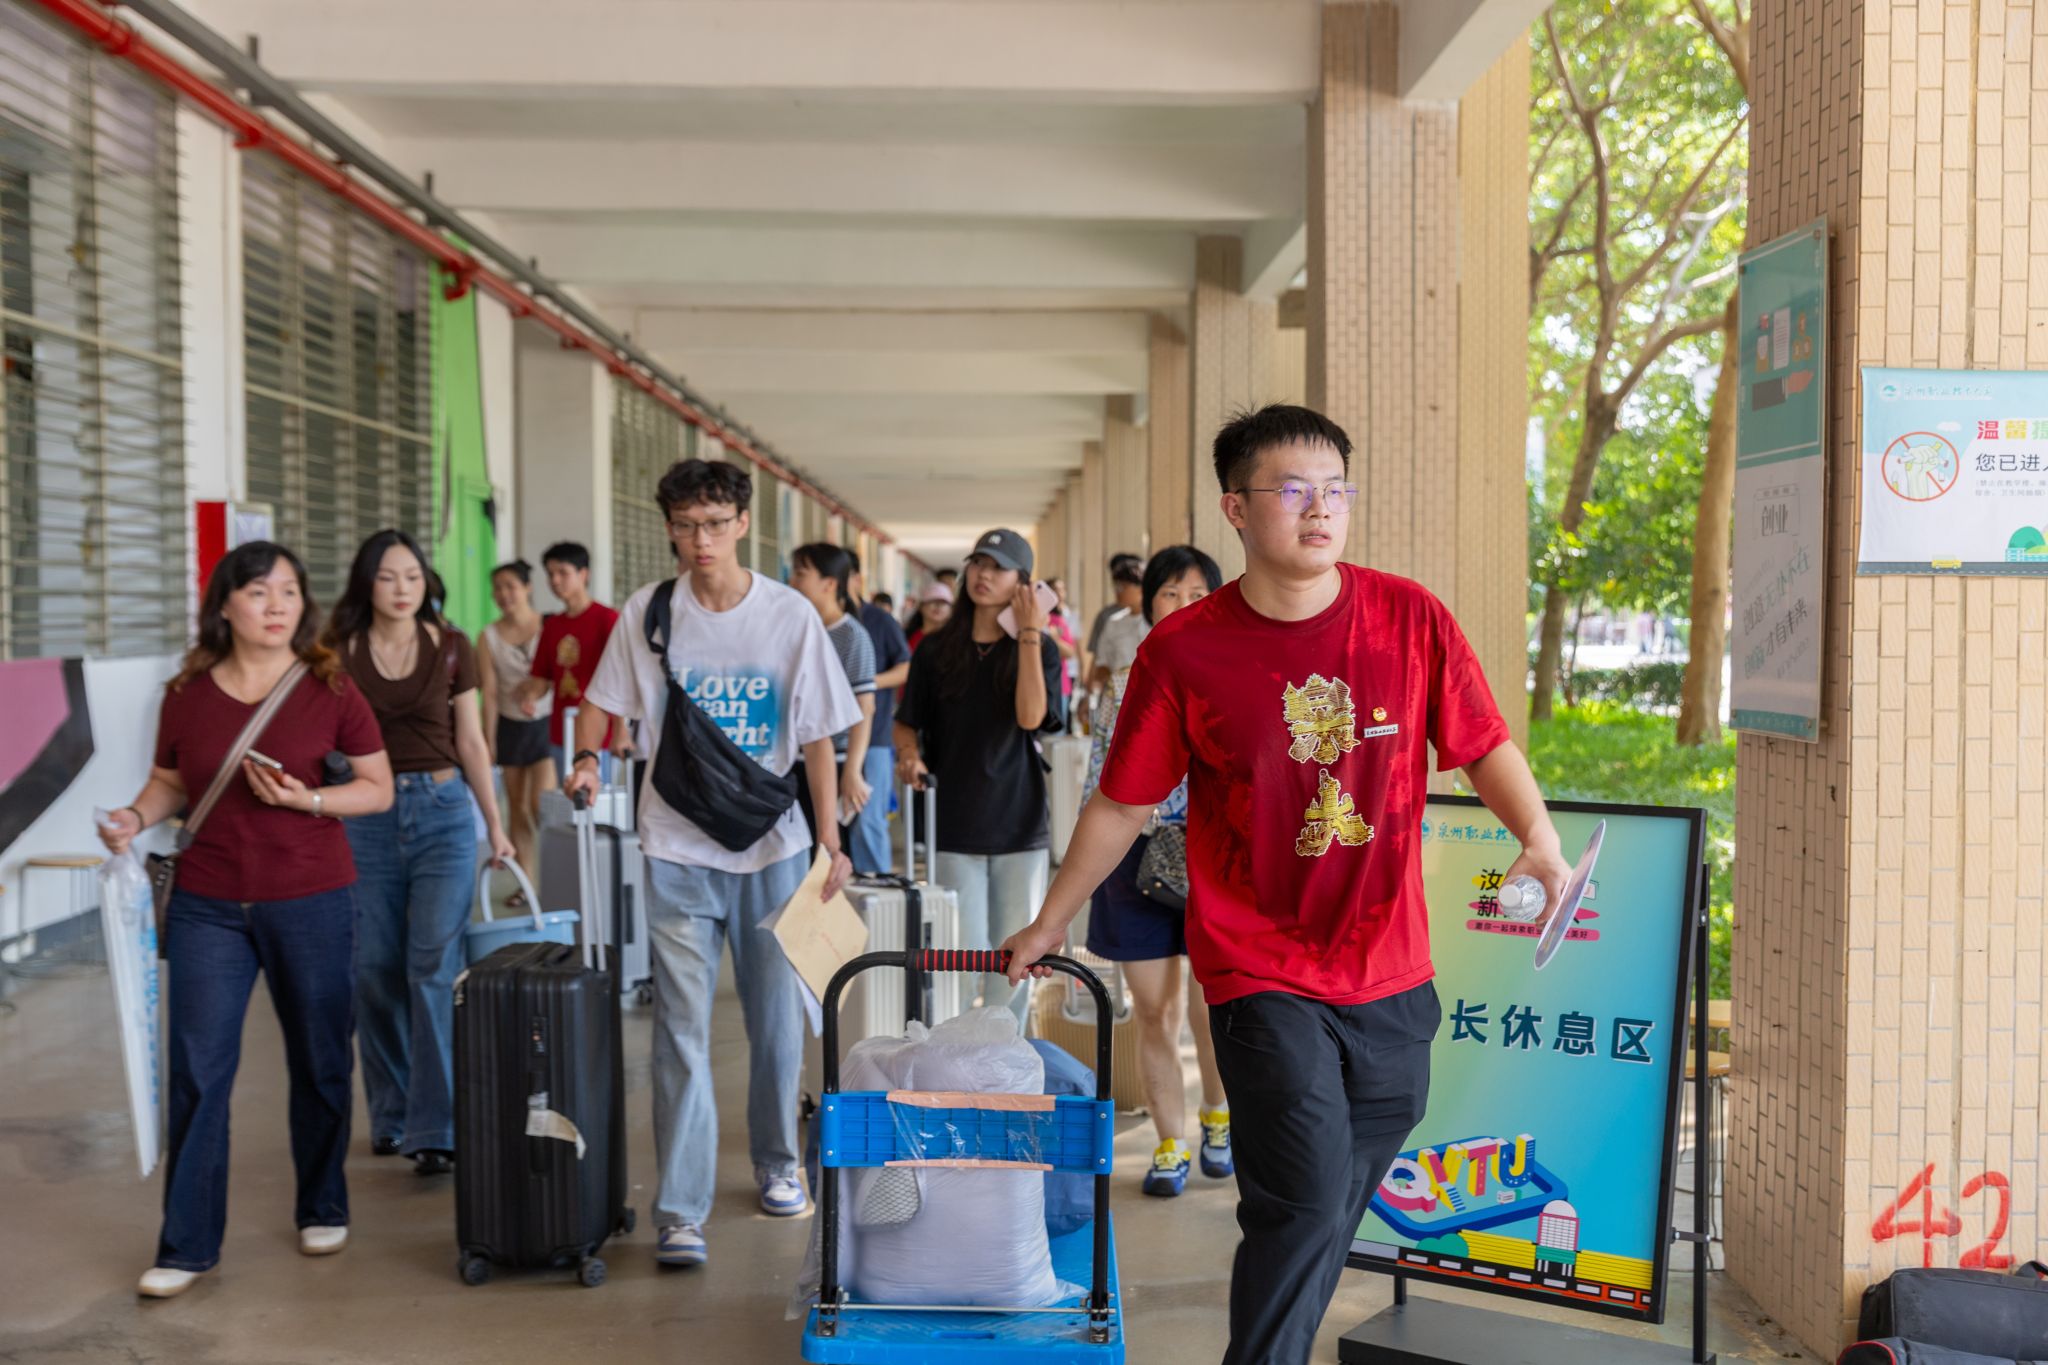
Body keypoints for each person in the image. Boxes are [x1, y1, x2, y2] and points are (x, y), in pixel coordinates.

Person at [1001, 405, 1570, 1365]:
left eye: (1336, 489)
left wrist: (1539, 837)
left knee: (1366, 1141)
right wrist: (1049, 920)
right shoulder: (1185, 650)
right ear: (1237, 507)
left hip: (1390, 958)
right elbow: (1122, 803)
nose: (1321, 509)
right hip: (1258, 962)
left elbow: (1482, 742)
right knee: (1302, 1194)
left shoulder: (1410, 617)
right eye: (1293, 489)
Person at [565, 458, 860, 1269]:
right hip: (676, 846)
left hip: (774, 844)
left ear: (742, 524)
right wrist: (587, 759)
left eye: (716, 524)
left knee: (775, 1023)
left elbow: (818, 737)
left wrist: (830, 840)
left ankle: (776, 1163)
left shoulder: (788, 615)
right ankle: (681, 1207)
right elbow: (600, 705)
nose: (702, 539)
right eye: (687, 525)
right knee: (680, 1029)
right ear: (669, 527)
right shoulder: (648, 613)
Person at [98, 541, 394, 1298]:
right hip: (208, 904)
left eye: (289, 592)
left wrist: (308, 800)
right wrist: (135, 816)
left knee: (321, 1060)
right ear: (225, 605)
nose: (277, 606)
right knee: (198, 1070)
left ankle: (322, 1204)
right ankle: (187, 1245)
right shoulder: (187, 693)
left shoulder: (330, 687)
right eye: (260, 592)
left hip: (312, 897)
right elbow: (169, 781)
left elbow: (377, 787)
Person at [325, 529, 517, 1176]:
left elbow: (471, 742)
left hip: (443, 813)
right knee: (374, 967)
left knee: (433, 966)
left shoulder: (452, 646)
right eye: (387, 577)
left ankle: (437, 1126)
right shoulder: (339, 652)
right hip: (365, 819)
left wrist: (496, 825)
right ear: (367, 584)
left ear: (426, 581)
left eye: (412, 576)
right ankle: (393, 1112)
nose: (402, 588)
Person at [1082, 544, 1232, 1197]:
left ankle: (1218, 1118)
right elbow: (1100, 781)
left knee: (1213, 1004)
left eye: (1198, 593)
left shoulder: (1239, 674)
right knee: (1153, 1009)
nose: (1183, 604)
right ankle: (1170, 1142)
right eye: (1170, 593)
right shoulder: (1123, 683)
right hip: (1136, 858)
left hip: (1216, 860)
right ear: (1148, 604)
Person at [894, 528, 1064, 1029]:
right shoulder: (935, 649)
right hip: (954, 820)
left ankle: (1004, 1053)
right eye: (978, 564)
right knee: (960, 953)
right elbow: (906, 721)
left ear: (1023, 583)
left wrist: (1028, 633)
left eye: (998, 567)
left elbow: (1032, 718)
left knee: (1014, 962)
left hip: (1019, 821)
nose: (983, 575)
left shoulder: (1040, 649)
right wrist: (909, 755)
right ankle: (953, 1052)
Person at [789, 541, 877, 854]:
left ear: (829, 584)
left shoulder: (851, 636)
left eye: (801, 574)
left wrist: (852, 771)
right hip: (794, 760)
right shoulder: (795, 629)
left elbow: (865, 707)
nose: (792, 582)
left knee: (828, 856)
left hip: (836, 763)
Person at [477, 559, 554, 897]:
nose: (504, 594)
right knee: (517, 809)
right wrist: (488, 739)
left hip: (545, 724)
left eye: (511, 586)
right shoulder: (488, 637)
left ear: (527, 588)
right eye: (498, 588)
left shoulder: (548, 626)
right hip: (510, 727)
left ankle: (554, 880)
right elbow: (490, 693)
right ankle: (526, 884)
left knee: (541, 806)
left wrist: (537, 691)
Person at [517, 541, 619, 756]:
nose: (555, 580)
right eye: (550, 574)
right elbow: (542, 677)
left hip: (601, 735)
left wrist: (621, 729)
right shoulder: (552, 625)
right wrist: (530, 697)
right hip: (561, 732)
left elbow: (621, 678)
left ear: (583, 574)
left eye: (563, 573)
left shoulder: (607, 619)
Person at [847, 550, 914, 874]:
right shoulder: (816, 620)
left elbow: (905, 668)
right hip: (827, 742)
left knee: (868, 820)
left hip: (873, 736)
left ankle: (877, 888)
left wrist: (866, 683)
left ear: (855, 579)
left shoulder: (878, 620)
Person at [1088, 560, 1147, 691]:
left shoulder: (1157, 622)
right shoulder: (1113, 622)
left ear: (1141, 587)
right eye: (1116, 586)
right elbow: (1102, 663)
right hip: (1119, 695)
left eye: (1123, 586)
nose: (1117, 591)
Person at [904, 581, 953, 653]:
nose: (938, 605)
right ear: (921, 606)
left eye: (943, 602)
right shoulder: (907, 636)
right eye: (933, 601)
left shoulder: (954, 639)